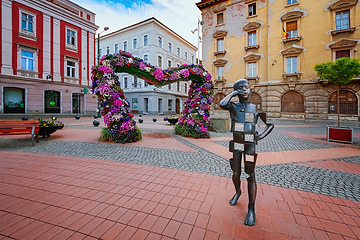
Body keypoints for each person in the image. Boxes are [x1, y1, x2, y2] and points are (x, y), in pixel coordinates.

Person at [220, 79, 273, 226]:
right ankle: (238, 192)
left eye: (246, 87)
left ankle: (251, 209)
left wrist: (260, 136)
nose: (244, 89)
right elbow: (222, 104)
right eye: (240, 88)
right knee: (236, 172)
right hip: (236, 143)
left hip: (250, 144)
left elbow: (270, 125)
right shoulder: (233, 106)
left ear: (250, 90)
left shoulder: (254, 108)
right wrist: (233, 93)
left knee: (250, 174)